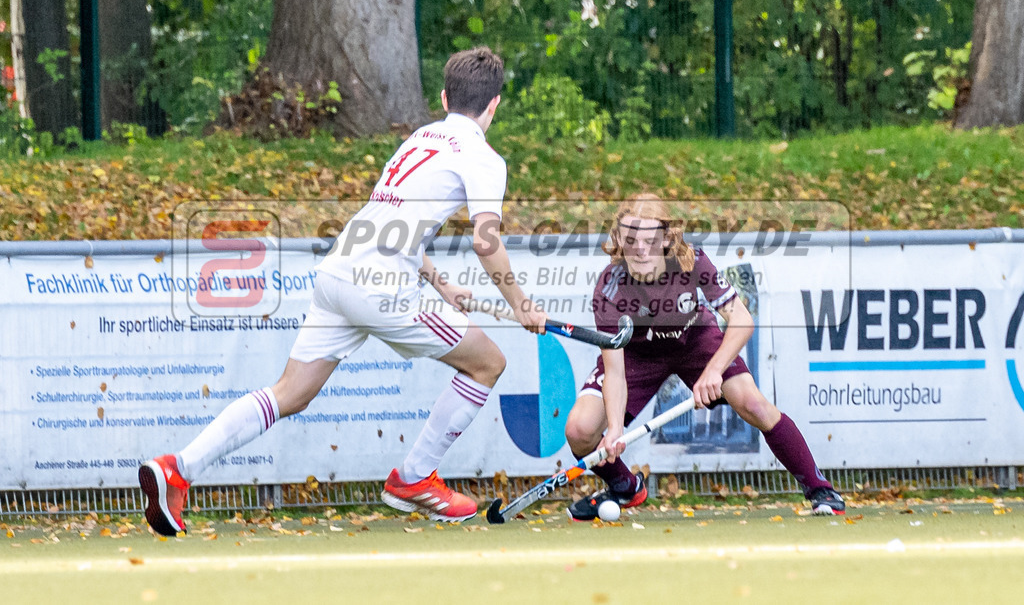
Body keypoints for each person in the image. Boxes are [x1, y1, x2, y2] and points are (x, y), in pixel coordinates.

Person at [139, 46, 547, 535]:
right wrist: (521, 305)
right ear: (495, 105)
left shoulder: (421, 138)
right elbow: (486, 241)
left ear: (444, 97)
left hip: (338, 273)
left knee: (289, 393)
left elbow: (393, 222)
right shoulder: (482, 157)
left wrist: (441, 285)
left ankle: (177, 468)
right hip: (382, 289)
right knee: (488, 362)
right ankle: (414, 478)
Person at [563, 193, 845, 520]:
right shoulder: (610, 288)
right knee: (580, 431)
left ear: (667, 237)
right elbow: (615, 371)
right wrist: (613, 429)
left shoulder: (692, 262)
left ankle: (820, 489)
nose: (639, 249)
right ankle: (625, 486)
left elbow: (742, 320)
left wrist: (713, 371)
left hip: (694, 341)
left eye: (650, 239)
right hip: (636, 355)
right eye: (630, 239)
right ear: (618, 239)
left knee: (752, 403)